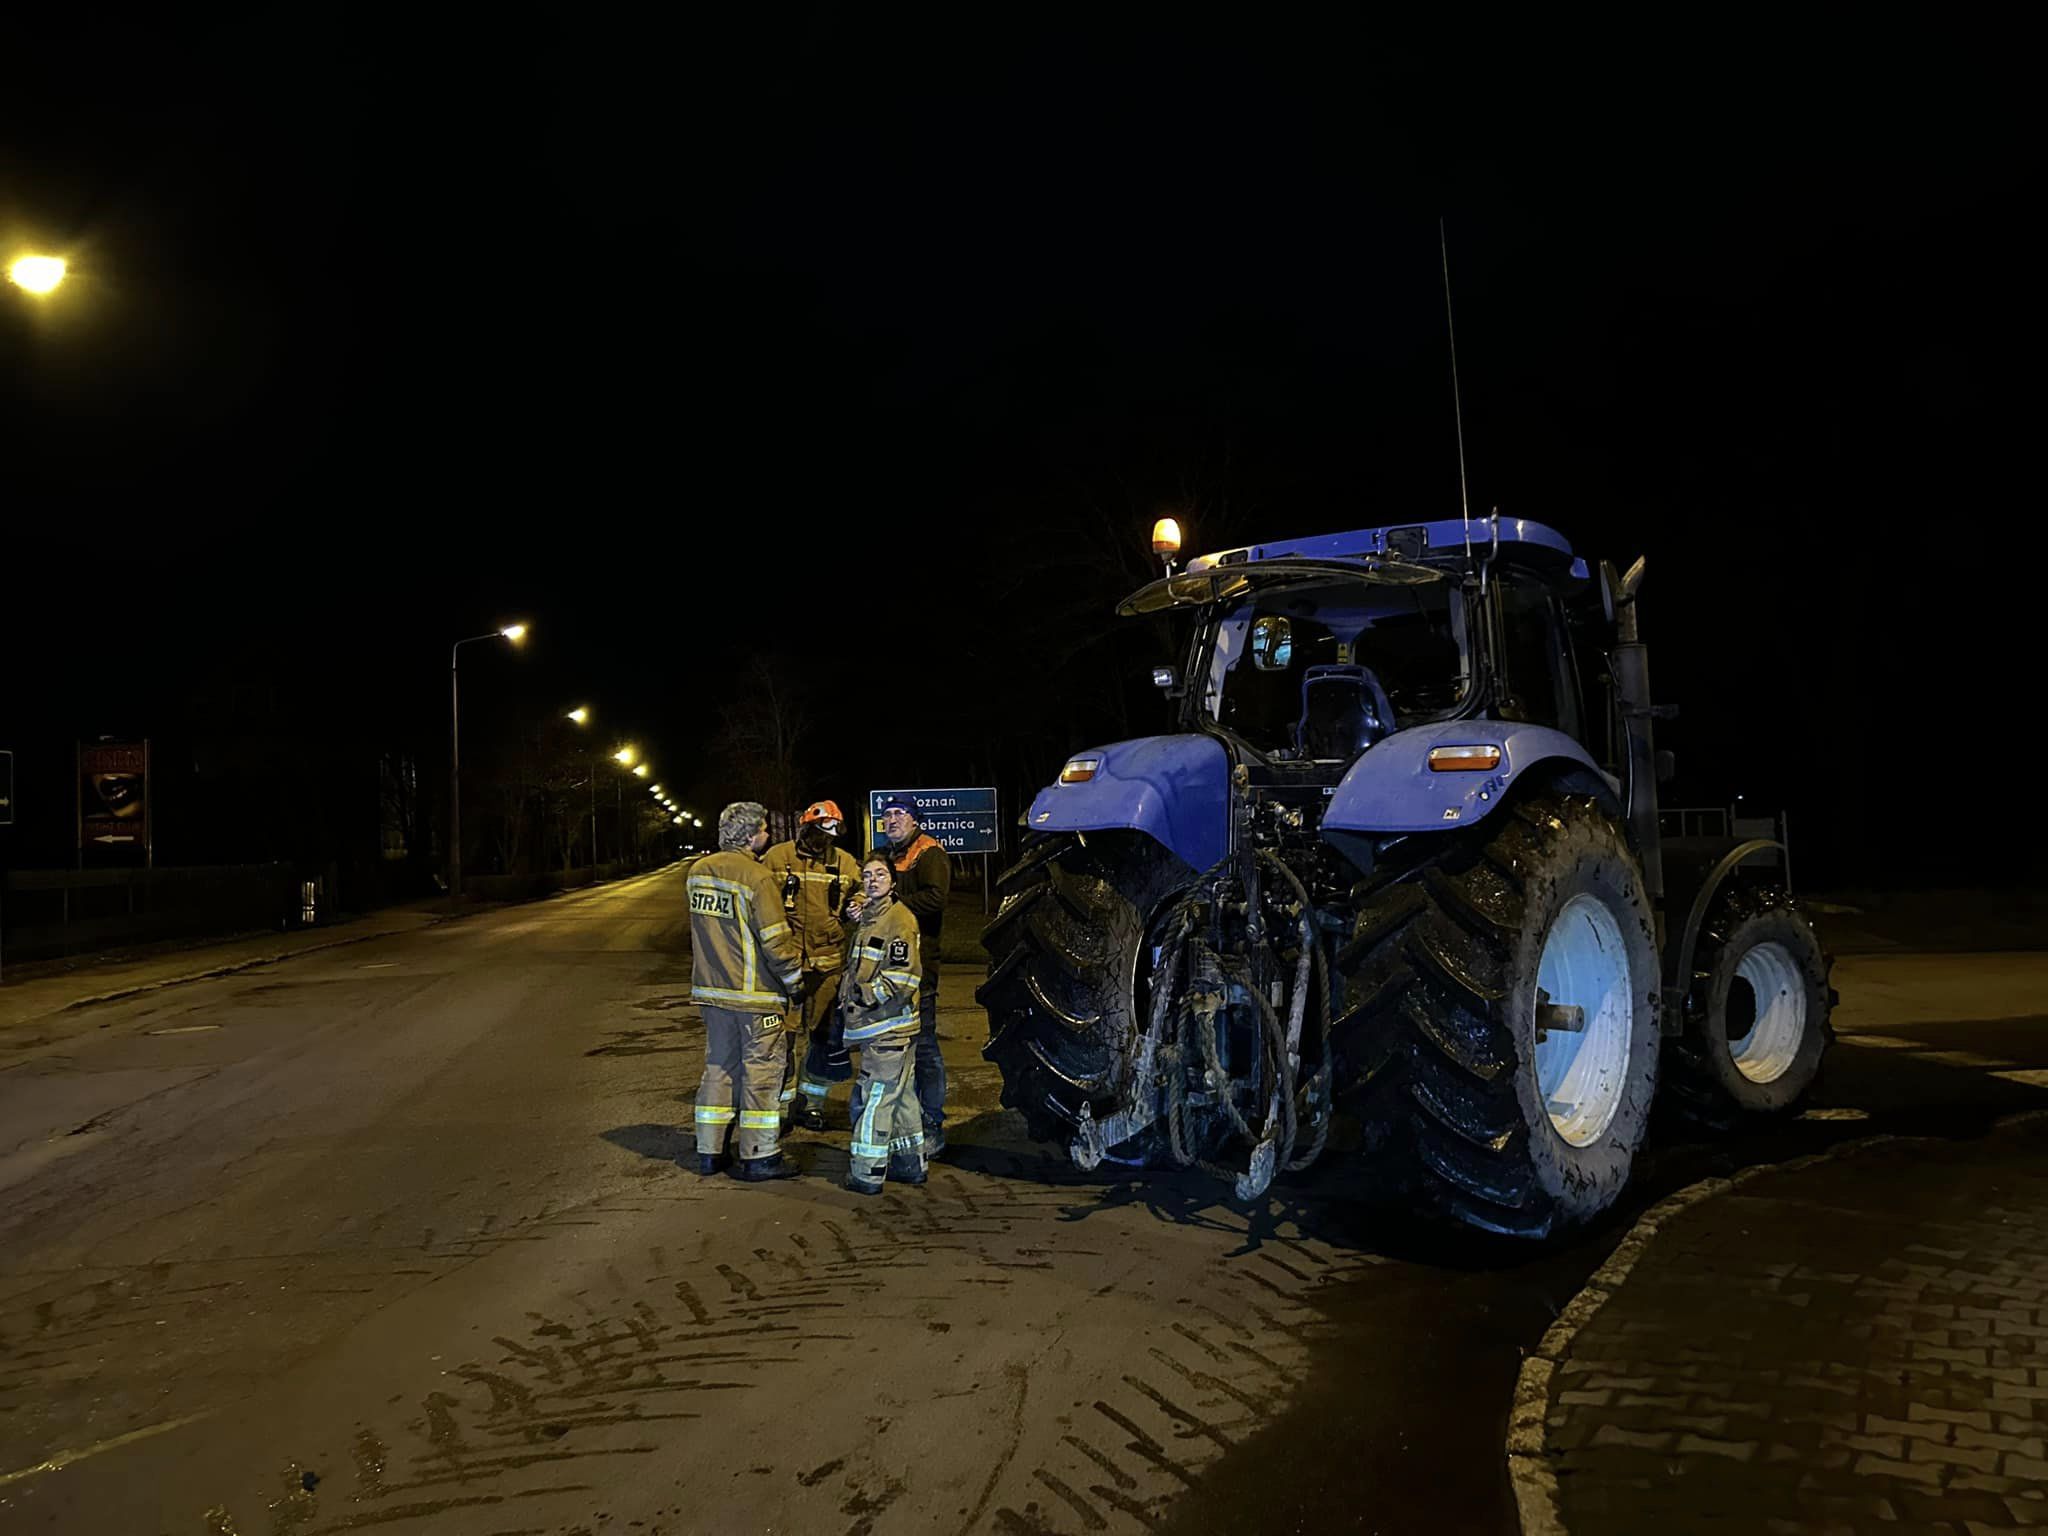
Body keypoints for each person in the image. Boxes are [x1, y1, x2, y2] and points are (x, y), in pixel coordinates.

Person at [686, 801, 805, 1182]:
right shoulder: (756, 877)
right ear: (751, 834)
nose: (768, 835)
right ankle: (760, 1155)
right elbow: (776, 942)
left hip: (712, 993)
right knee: (763, 1074)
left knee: (719, 1068)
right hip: (755, 997)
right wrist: (795, 983)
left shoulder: (697, 873)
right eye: (765, 829)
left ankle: (710, 1150)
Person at [764, 800, 861, 1130]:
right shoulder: (778, 858)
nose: (825, 841)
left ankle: (813, 1103)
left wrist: (858, 906)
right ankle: (781, 1104)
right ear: (805, 829)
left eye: (831, 834)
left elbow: (863, 893)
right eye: (821, 832)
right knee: (783, 1038)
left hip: (828, 966)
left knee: (821, 1036)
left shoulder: (845, 863)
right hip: (786, 966)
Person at [839, 851, 926, 1194]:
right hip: (884, 1026)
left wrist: (864, 997)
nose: (872, 880)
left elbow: (904, 978)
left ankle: (867, 1172)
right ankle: (910, 1164)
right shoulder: (871, 919)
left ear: (893, 880)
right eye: (867, 875)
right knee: (900, 1095)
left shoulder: (900, 920)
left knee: (873, 1097)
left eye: (879, 874)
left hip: (887, 1026)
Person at [877, 794, 952, 1152]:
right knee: (895, 1045)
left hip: (922, 967)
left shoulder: (929, 852)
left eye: (899, 814)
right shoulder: (888, 856)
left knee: (924, 1046)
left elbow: (936, 898)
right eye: (887, 814)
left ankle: (932, 1121)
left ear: (915, 820)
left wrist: (890, 903)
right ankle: (903, 1119)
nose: (891, 820)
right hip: (890, 968)